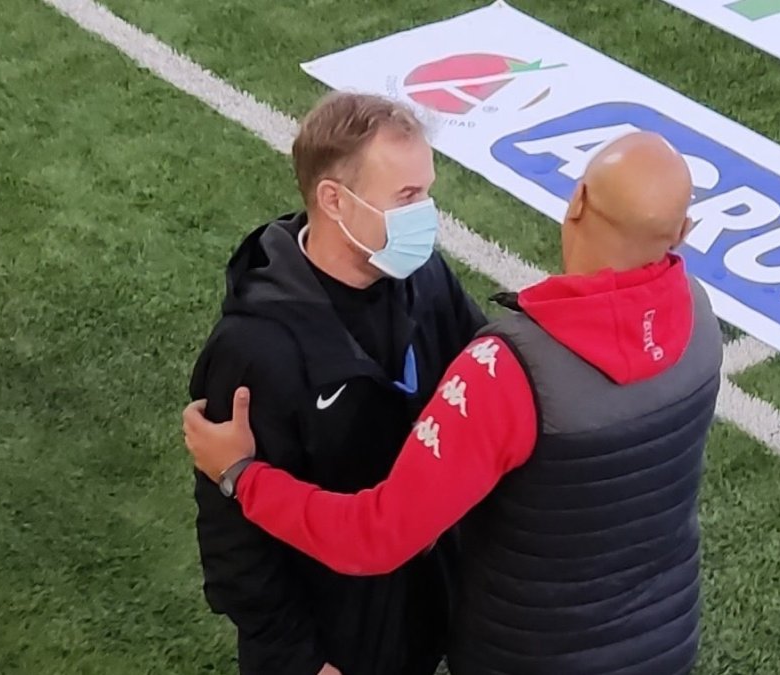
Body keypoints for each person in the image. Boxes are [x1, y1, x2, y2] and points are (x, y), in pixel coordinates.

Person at [184, 131, 725, 675]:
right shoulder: (699, 320)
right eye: (408, 195)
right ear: (683, 232)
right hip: (663, 641)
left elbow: (378, 534)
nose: (425, 214)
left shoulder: (512, 373)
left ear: (577, 199)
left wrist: (241, 475)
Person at [186, 91, 486, 675]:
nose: (425, 215)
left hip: (423, 602)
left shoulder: (424, 277)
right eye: (407, 197)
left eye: (426, 191)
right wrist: (300, 660)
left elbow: (483, 371)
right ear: (334, 200)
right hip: (332, 637)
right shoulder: (254, 350)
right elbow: (231, 532)